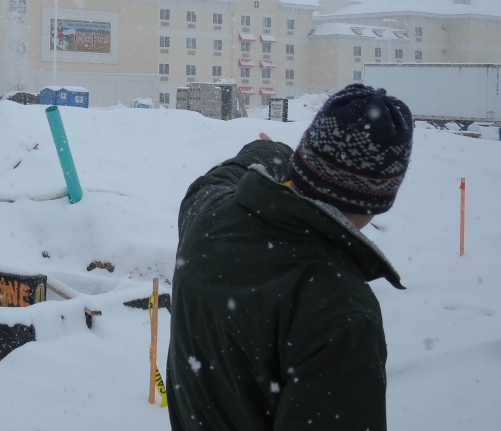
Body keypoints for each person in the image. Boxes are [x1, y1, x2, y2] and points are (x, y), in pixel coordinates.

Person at [166, 84, 413, 431]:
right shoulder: (342, 309)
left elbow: (217, 180)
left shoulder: (209, 216)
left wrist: (273, 153)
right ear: (379, 197)